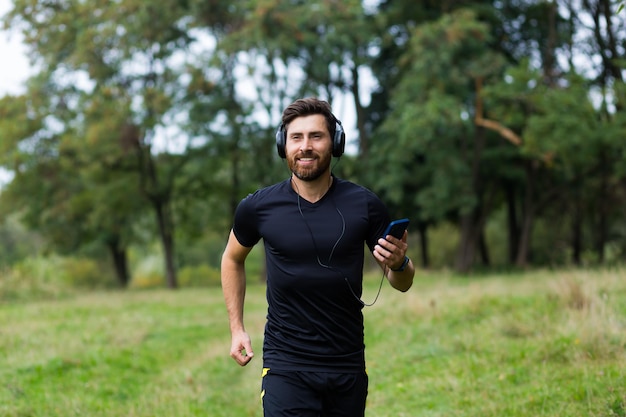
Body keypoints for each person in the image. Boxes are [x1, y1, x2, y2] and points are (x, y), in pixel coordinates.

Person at [220, 97, 415, 417]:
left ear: (335, 142)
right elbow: (231, 258)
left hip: (347, 365)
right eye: (296, 137)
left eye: (316, 136)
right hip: (286, 364)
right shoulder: (259, 207)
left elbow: (402, 282)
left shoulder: (364, 205)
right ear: (283, 145)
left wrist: (400, 264)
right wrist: (237, 327)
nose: (305, 146)